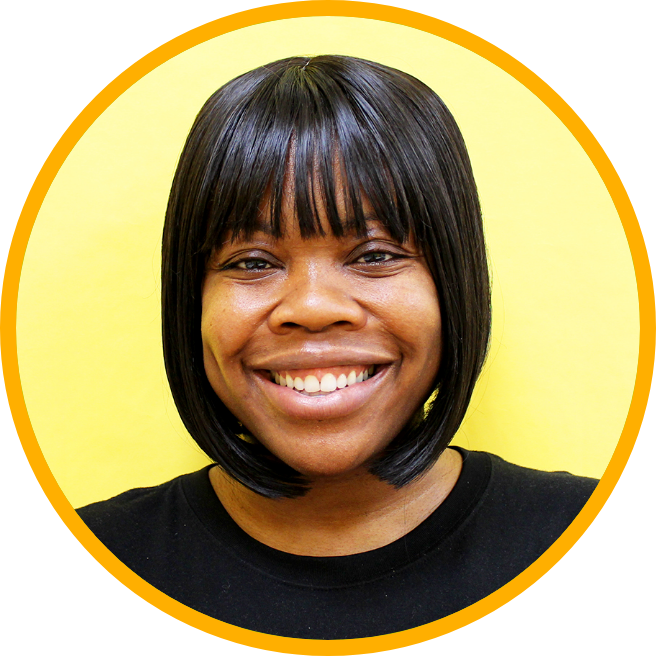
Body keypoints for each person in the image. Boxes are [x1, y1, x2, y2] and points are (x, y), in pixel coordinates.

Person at [77, 55, 597, 639]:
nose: (312, 307)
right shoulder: (75, 570)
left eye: (375, 255)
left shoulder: (606, 546)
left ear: (455, 284)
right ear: (190, 301)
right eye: (251, 263)